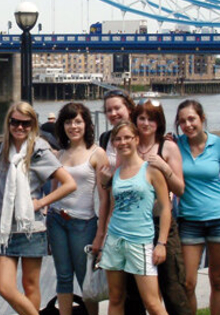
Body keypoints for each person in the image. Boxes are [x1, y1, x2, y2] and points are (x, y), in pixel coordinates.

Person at [0, 102, 77, 315]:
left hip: (31, 228)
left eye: (25, 123)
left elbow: (69, 183)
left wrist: (41, 203)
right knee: (5, 287)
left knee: (30, 285)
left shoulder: (39, 150)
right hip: (5, 228)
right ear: (8, 122)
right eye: (15, 122)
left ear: (33, 125)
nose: (19, 127)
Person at [171, 100, 220, 315]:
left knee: (217, 280)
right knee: (188, 282)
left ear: (202, 118)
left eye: (192, 119)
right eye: (182, 121)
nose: (187, 125)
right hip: (190, 221)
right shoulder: (176, 145)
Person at [99, 121, 171, 315]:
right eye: (118, 139)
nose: (123, 142)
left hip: (140, 241)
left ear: (136, 139)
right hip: (115, 240)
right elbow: (114, 208)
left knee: (153, 304)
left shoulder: (151, 169)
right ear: (113, 143)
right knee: (115, 298)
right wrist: (103, 238)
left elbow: (165, 208)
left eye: (127, 138)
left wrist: (162, 243)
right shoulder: (116, 174)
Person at [131, 98, 190, 315]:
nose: (146, 123)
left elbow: (180, 188)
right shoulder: (130, 147)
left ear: (159, 123)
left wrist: (164, 167)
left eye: (151, 119)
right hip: (134, 227)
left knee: (173, 287)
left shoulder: (168, 147)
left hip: (161, 225)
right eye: (141, 118)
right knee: (136, 293)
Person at [49, 103, 109, 315]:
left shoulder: (97, 153)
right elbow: (54, 191)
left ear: (86, 124)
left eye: (77, 121)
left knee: (86, 279)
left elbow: (104, 199)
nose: (73, 126)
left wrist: (100, 235)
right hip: (57, 220)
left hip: (83, 224)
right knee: (63, 276)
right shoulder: (59, 154)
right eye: (68, 122)